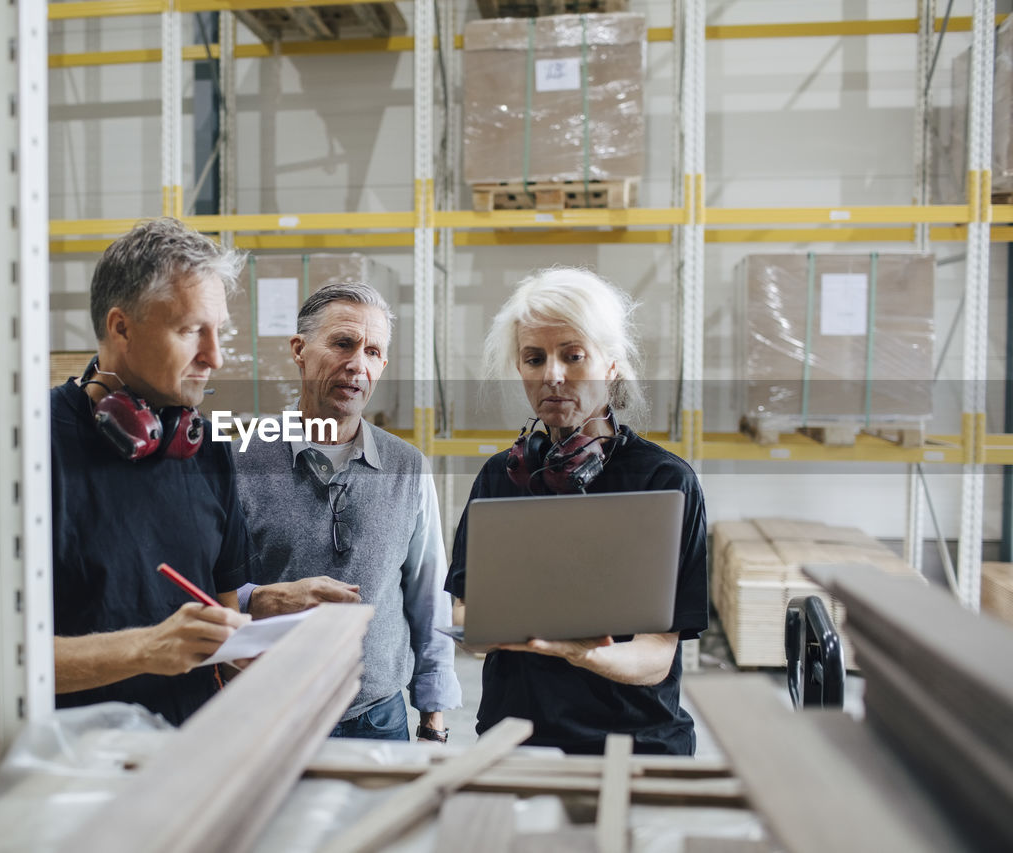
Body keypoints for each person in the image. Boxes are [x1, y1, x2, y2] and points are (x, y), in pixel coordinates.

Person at [445, 267, 708, 755]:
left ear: (612, 365)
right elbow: (467, 619)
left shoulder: (664, 482)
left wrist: (579, 652)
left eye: (573, 355)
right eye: (533, 358)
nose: (552, 375)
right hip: (515, 741)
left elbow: (654, 656)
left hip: (635, 744)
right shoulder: (500, 476)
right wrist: (490, 626)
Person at [43, 218, 252, 725]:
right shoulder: (25, 449)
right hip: (72, 769)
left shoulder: (207, 451)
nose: (216, 358)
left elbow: (228, 619)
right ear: (121, 327)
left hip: (191, 755)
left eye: (218, 332)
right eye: (190, 331)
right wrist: (144, 649)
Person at [233, 282, 462, 742]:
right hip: (266, 714)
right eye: (343, 343)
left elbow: (426, 599)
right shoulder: (240, 460)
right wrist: (258, 599)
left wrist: (433, 718)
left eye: (374, 352)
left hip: (379, 718)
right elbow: (201, 588)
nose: (358, 365)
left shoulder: (407, 467)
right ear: (299, 350)